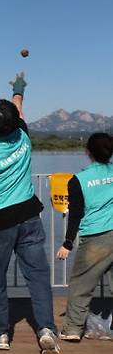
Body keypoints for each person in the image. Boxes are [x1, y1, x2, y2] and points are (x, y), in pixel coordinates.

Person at [0, 74, 60, 354]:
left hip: (0, 223)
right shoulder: (24, 136)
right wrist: (19, 88)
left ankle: (1, 334)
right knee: (39, 277)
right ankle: (45, 330)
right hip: (30, 216)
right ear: (14, 121)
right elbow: (19, 108)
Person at [56, 133, 113, 341]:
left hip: (96, 238)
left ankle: (72, 329)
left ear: (87, 152)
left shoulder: (79, 179)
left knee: (81, 285)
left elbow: (76, 214)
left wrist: (68, 242)